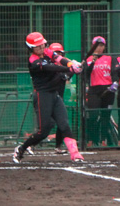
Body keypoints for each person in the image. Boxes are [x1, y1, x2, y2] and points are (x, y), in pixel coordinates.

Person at [12, 33, 84, 164]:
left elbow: (59, 58)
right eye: (37, 47)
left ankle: (75, 154)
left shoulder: (48, 52)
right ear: (31, 48)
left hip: (54, 94)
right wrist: (69, 68)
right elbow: (51, 67)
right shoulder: (33, 61)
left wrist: (70, 63)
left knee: (64, 124)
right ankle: (21, 148)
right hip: (42, 95)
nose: (41, 48)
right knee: (43, 130)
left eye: (42, 45)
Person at [82, 36, 118, 148]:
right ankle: (92, 140)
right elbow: (85, 75)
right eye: (96, 46)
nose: (99, 48)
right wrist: (93, 61)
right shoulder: (88, 59)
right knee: (92, 116)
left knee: (105, 116)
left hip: (108, 90)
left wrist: (115, 84)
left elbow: (115, 73)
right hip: (94, 90)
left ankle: (103, 140)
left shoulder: (109, 58)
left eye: (101, 46)